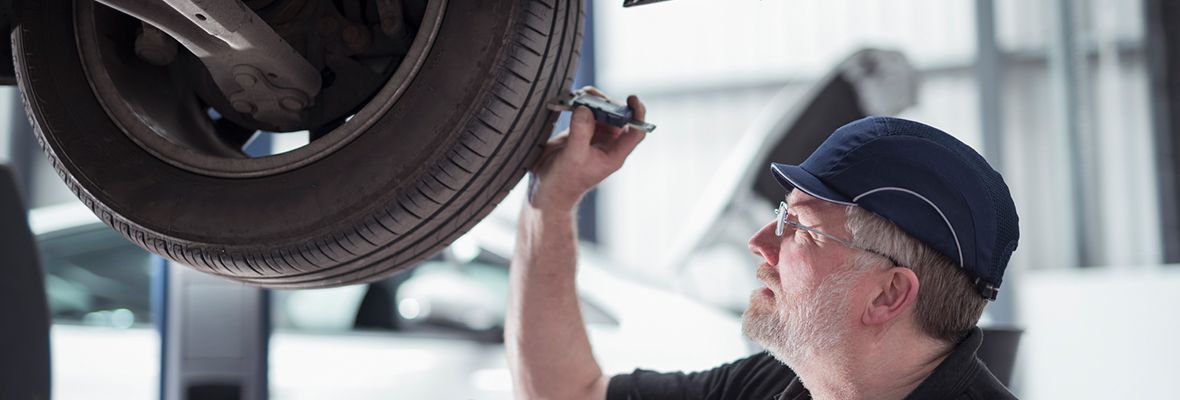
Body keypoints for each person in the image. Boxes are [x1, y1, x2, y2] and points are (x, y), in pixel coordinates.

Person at [506, 90, 1020, 400]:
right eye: (781, 214)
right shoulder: (781, 384)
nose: (759, 244)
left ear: (887, 295)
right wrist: (550, 204)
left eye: (799, 227)